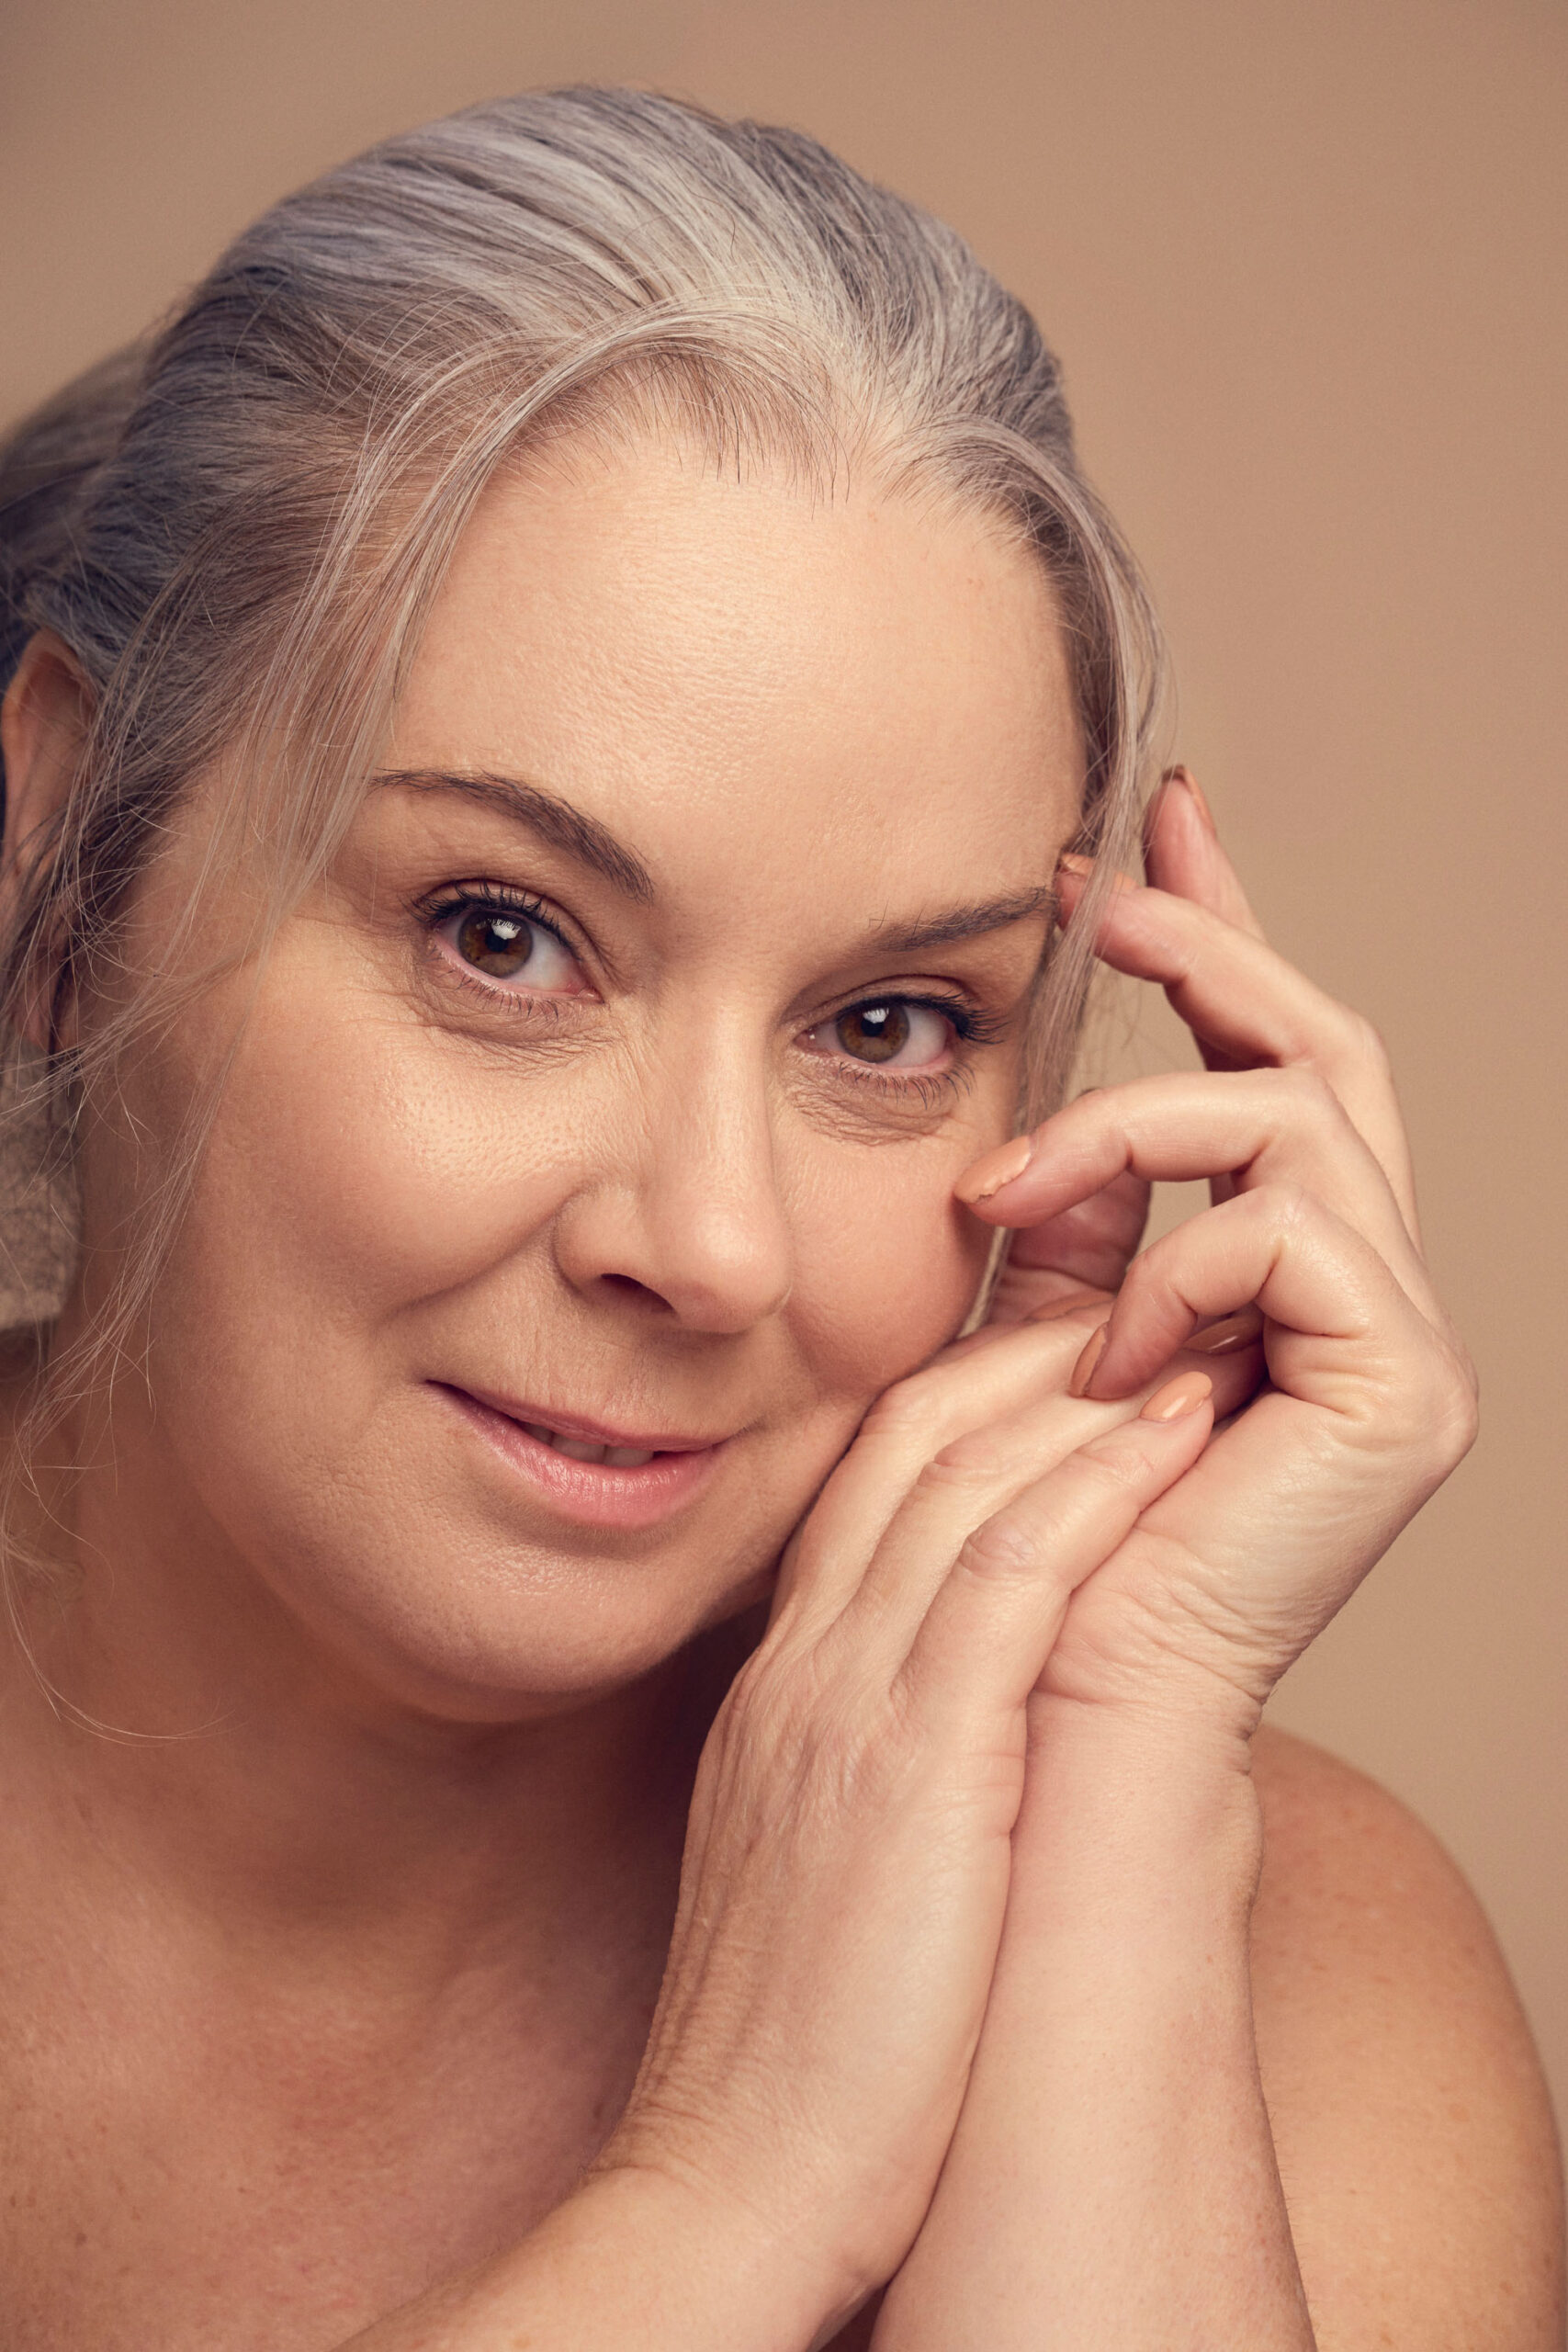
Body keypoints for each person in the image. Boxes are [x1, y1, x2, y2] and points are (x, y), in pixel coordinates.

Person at [0, 85, 1558, 2352]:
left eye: (892, 1019)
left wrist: (1103, 1799)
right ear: (64, 855)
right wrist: (727, 2200)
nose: (711, 1241)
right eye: (501, 936)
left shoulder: (1282, 1963)